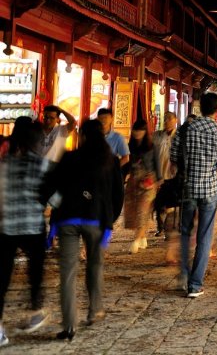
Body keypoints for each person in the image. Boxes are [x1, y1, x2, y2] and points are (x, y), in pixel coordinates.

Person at [40, 119, 124, 341]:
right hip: (96, 221)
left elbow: (50, 186)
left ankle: (69, 326)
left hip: (67, 219)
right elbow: (117, 195)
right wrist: (110, 221)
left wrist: (53, 215)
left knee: (67, 273)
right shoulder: (110, 161)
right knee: (95, 266)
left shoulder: (69, 158)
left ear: (83, 136)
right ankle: (95, 309)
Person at [170, 92, 217, 298]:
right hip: (210, 189)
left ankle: (184, 275)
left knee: (185, 232)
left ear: (200, 107)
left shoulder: (185, 129)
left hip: (188, 187)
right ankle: (195, 284)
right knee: (204, 235)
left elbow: (173, 156)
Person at [0, 117, 49, 345]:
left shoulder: (4, 163)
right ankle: (35, 311)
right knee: (35, 270)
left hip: (7, 226)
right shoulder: (41, 164)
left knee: (2, 278)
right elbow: (53, 197)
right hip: (32, 225)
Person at [123, 120, 157, 254]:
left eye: (140, 130)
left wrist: (158, 181)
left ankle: (136, 240)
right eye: (135, 130)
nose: (137, 133)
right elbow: (127, 164)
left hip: (149, 181)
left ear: (145, 131)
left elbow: (158, 165)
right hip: (133, 181)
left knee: (143, 211)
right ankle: (142, 237)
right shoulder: (129, 146)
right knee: (133, 210)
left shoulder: (152, 146)